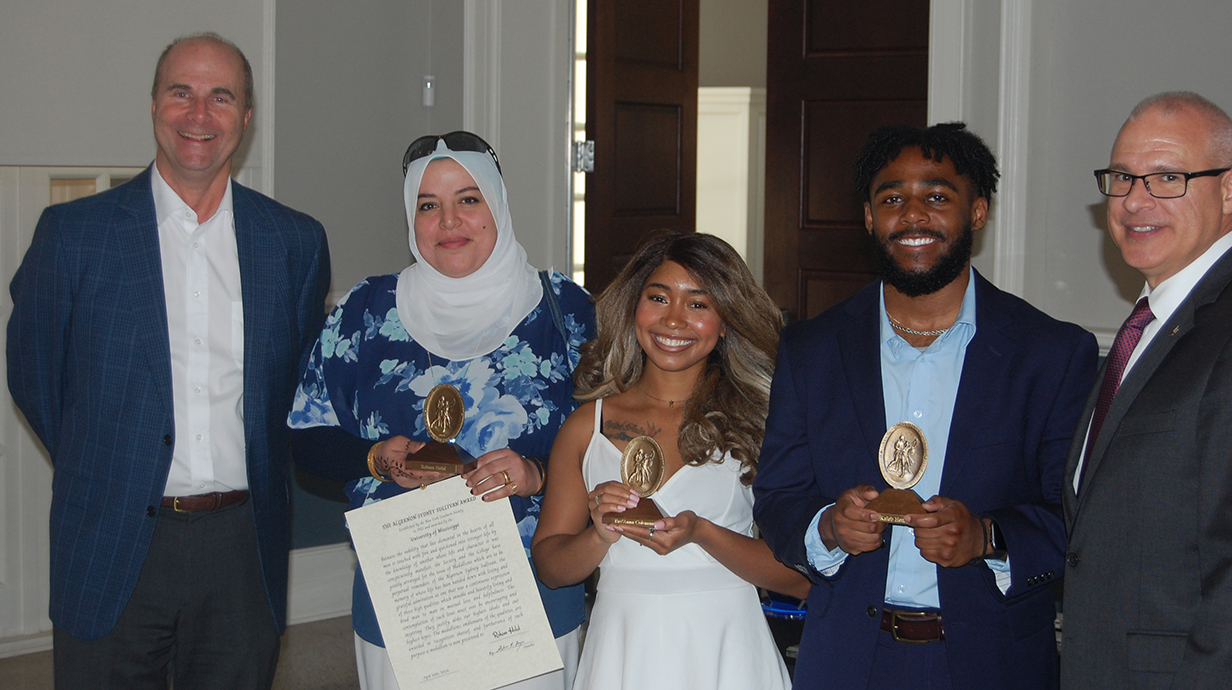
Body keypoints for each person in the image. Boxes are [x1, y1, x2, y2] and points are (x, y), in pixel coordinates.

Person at [6, 33, 330, 688]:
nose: (197, 114)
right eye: (181, 92)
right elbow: (35, 377)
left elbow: (297, 388)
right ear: (154, 104)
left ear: (245, 118)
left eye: (220, 97)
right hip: (113, 538)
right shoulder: (73, 236)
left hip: (243, 549)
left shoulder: (293, 241)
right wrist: (107, 465)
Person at [753, 122, 1097, 690]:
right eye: (892, 198)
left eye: (937, 196)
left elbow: (1079, 518)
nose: (913, 215)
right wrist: (830, 529)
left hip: (994, 663)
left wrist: (987, 536)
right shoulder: (811, 350)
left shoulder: (1052, 353)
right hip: (847, 661)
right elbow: (778, 498)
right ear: (869, 217)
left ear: (978, 212)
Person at [287, 131, 594, 690]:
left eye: (468, 199)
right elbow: (308, 436)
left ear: (497, 204)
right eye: (429, 205)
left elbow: (615, 442)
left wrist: (538, 473)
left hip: (531, 596)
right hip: (406, 595)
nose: (449, 221)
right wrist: (375, 457)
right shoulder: (364, 311)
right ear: (412, 218)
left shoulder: (566, 311)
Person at [532, 232, 810, 690]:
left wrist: (702, 533)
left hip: (729, 653)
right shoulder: (587, 426)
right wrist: (599, 535)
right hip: (622, 651)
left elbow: (800, 580)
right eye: (658, 297)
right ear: (633, 307)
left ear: (726, 320)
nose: (674, 320)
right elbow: (551, 566)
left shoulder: (763, 422)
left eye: (698, 304)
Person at [1061, 92, 1232, 689]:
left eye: (1166, 177)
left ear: (1229, 191)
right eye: (1123, 178)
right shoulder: (1147, 327)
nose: (1135, 200)